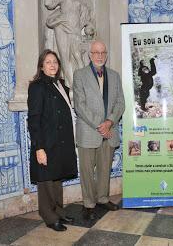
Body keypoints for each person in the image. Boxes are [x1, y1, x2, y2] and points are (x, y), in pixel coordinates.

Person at [73, 40, 125, 220]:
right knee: (87, 170)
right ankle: (88, 204)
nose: (100, 56)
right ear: (90, 55)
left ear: (106, 54)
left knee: (105, 169)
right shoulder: (79, 75)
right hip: (89, 131)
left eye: (103, 52)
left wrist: (109, 121)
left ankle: (103, 198)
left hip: (109, 131)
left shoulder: (114, 75)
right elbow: (79, 105)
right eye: (96, 52)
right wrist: (100, 125)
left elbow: (120, 103)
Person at [27, 49, 78, 232]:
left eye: (55, 62)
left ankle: (58, 211)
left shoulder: (61, 85)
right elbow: (33, 118)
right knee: (47, 180)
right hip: (47, 143)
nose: (53, 65)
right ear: (41, 66)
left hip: (61, 142)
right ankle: (49, 216)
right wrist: (39, 148)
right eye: (48, 62)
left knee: (57, 179)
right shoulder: (37, 86)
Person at [44, 0, 95, 86]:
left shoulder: (80, 4)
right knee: (64, 57)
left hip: (75, 33)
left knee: (78, 57)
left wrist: (89, 27)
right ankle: (71, 84)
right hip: (62, 28)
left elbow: (86, 21)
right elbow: (49, 4)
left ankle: (81, 83)